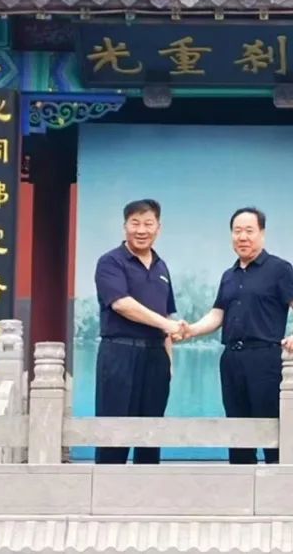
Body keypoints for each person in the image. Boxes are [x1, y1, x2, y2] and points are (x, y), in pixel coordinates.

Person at [178, 206, 293, 464]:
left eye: (249, 231)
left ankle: (278, 482)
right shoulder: (229, 276)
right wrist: (191, 330)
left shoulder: (279, 269)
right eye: (237, 231)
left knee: (271, 427)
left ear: (262, 234)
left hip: (265, 359)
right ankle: (240, 479)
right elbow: (217, 314)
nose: (242, 237)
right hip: (231, 360)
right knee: (237, 428)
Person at [93, 198, 182, 464]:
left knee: (151, 432)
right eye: (135, 223)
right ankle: (107, 487)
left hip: (155, 357)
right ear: (125, 227)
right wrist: (166, 325)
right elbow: (122, 304)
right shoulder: (110, 262)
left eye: (148, 224)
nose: (141, 230)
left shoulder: (161, 267)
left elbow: (167, 316)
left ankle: (147, 487)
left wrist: (169, 362)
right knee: (114, 430)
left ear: (158, 228)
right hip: (120, 354)